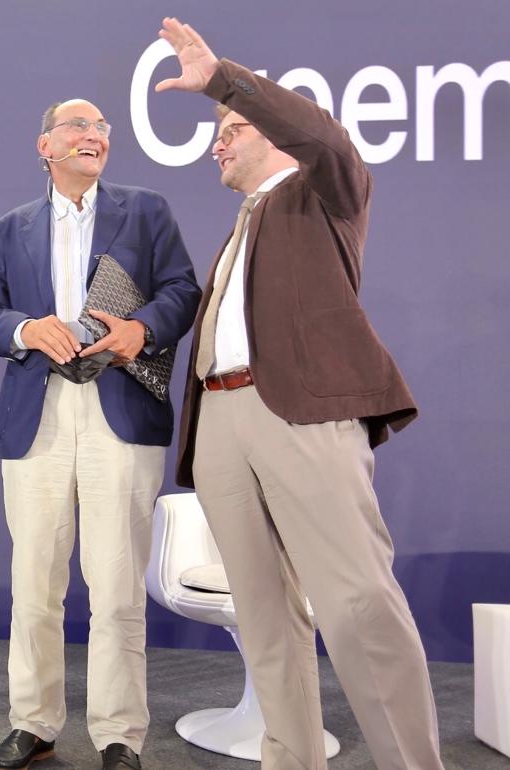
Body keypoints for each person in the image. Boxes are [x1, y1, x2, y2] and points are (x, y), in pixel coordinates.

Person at [156, 17, 444, 770]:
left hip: (302, 418)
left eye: (231, 128)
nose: (216, 142)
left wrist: (223, 79)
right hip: (221, 424)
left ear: (274, 130)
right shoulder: (241, 224)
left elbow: (323, 136)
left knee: (356, 607)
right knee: (264, 620)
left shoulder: (326, 191)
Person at [0, 98, 200, 770]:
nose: (92, 135)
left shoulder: (146, 209)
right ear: (45, 145)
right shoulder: (11, 227)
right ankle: (34, 722)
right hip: (37, 417)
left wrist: (143, 328)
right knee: (35, 581)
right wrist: (23, 330)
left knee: (117, 584)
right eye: (78, 126)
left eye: (101, 128)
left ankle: (119, 735)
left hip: (119, 412)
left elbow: (184, 289)